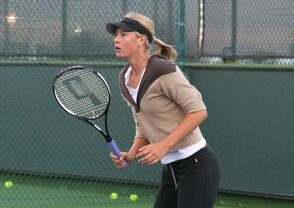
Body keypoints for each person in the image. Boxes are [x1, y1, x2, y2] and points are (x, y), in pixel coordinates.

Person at [106, 12, 220, 208]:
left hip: (197, 165)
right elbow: (142, 122)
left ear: (141, 39)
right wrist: (132, 153)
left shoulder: (163, 70)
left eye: (123, 34)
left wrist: (164, 145)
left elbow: (199, 111)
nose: (116, 39)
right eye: (116, 35)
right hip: (172, 169)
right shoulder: (125, 77)